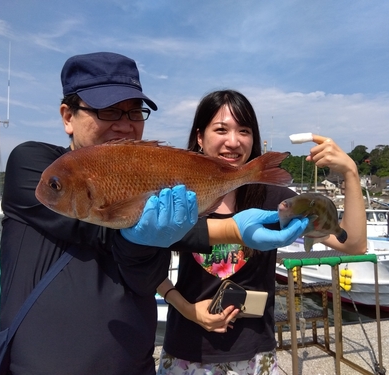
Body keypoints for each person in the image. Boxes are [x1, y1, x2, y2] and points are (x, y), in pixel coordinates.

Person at [0, 53, 310, 375]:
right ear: (67, 116)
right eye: (108, 110)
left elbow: (144, 274)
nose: (125, 124)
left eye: (134, 112)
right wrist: (234, 230)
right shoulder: (36, 166)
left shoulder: (145, 190)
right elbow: (108, 231)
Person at [156, 90, 367, 375]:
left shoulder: (275, 200)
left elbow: (353, 244)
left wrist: (350, 173)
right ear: (199, 137)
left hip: (255, 356)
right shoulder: (178, 197)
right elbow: (146, 260)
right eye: (221, 129)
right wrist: (186, 307)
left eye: (244, 131)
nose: (233, 141)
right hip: (186, 352)